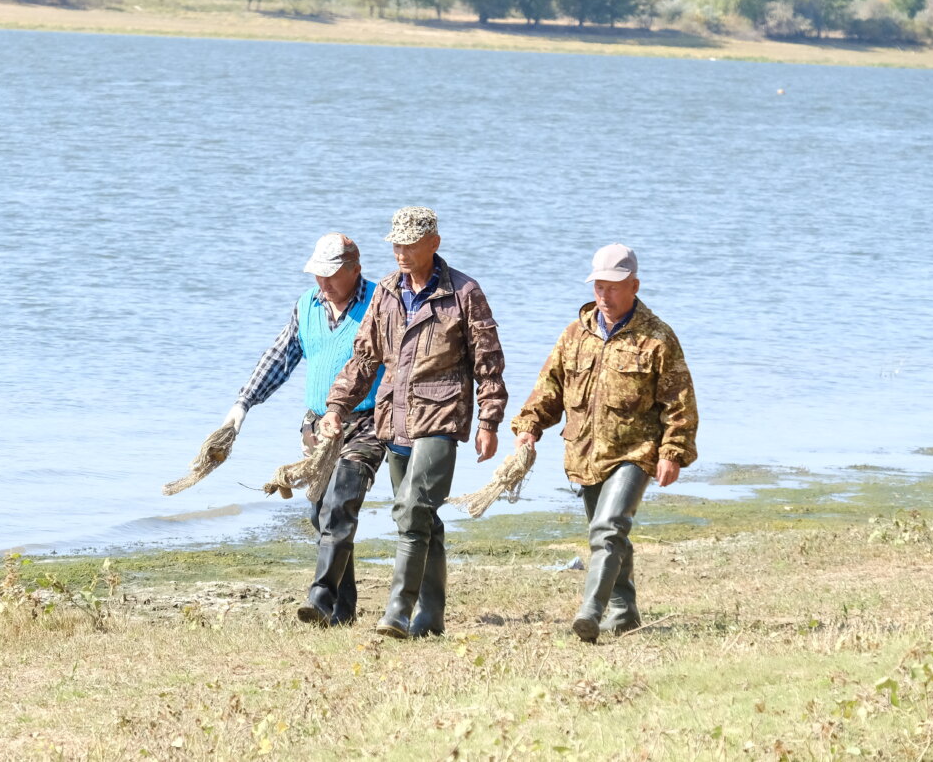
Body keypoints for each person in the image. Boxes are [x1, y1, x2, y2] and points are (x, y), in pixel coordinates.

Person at [320, 206, 508, 639]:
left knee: (411, 509)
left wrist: (490, 420)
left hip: (442, 417)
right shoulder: (386, 291)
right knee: (422, 520)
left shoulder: (464, 292)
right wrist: (336, 408)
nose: (401, 253)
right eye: (396, 245)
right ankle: (431, 617)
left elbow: (488, 363)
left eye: (409, 245)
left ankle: (398, 612)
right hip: (395, 417)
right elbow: (364, 359)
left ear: (433, 243)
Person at [510, 243, 699, 642]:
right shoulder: (574, 334)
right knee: (609, 535)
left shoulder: (657, 338)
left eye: (613, 287)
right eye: (599, 286)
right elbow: (550, 388)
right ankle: (624, 612)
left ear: (634, 286)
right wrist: (530, 426)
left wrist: (672, 452)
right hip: (584, 452)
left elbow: (679, 402)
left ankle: (590, 613)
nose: (604, 295)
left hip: (636, 452)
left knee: (608, 528)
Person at [226, 233, 386, 627]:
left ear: (355, 269)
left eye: (331, 274)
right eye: (318, 273)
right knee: (320, 514)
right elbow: (279, 357)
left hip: (367, 423)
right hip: (317, 427)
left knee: (340, 505)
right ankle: (343, 611)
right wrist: (243, 404)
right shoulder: (307, 305)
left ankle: (319, 599)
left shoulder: (380, 303)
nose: (322, 282)